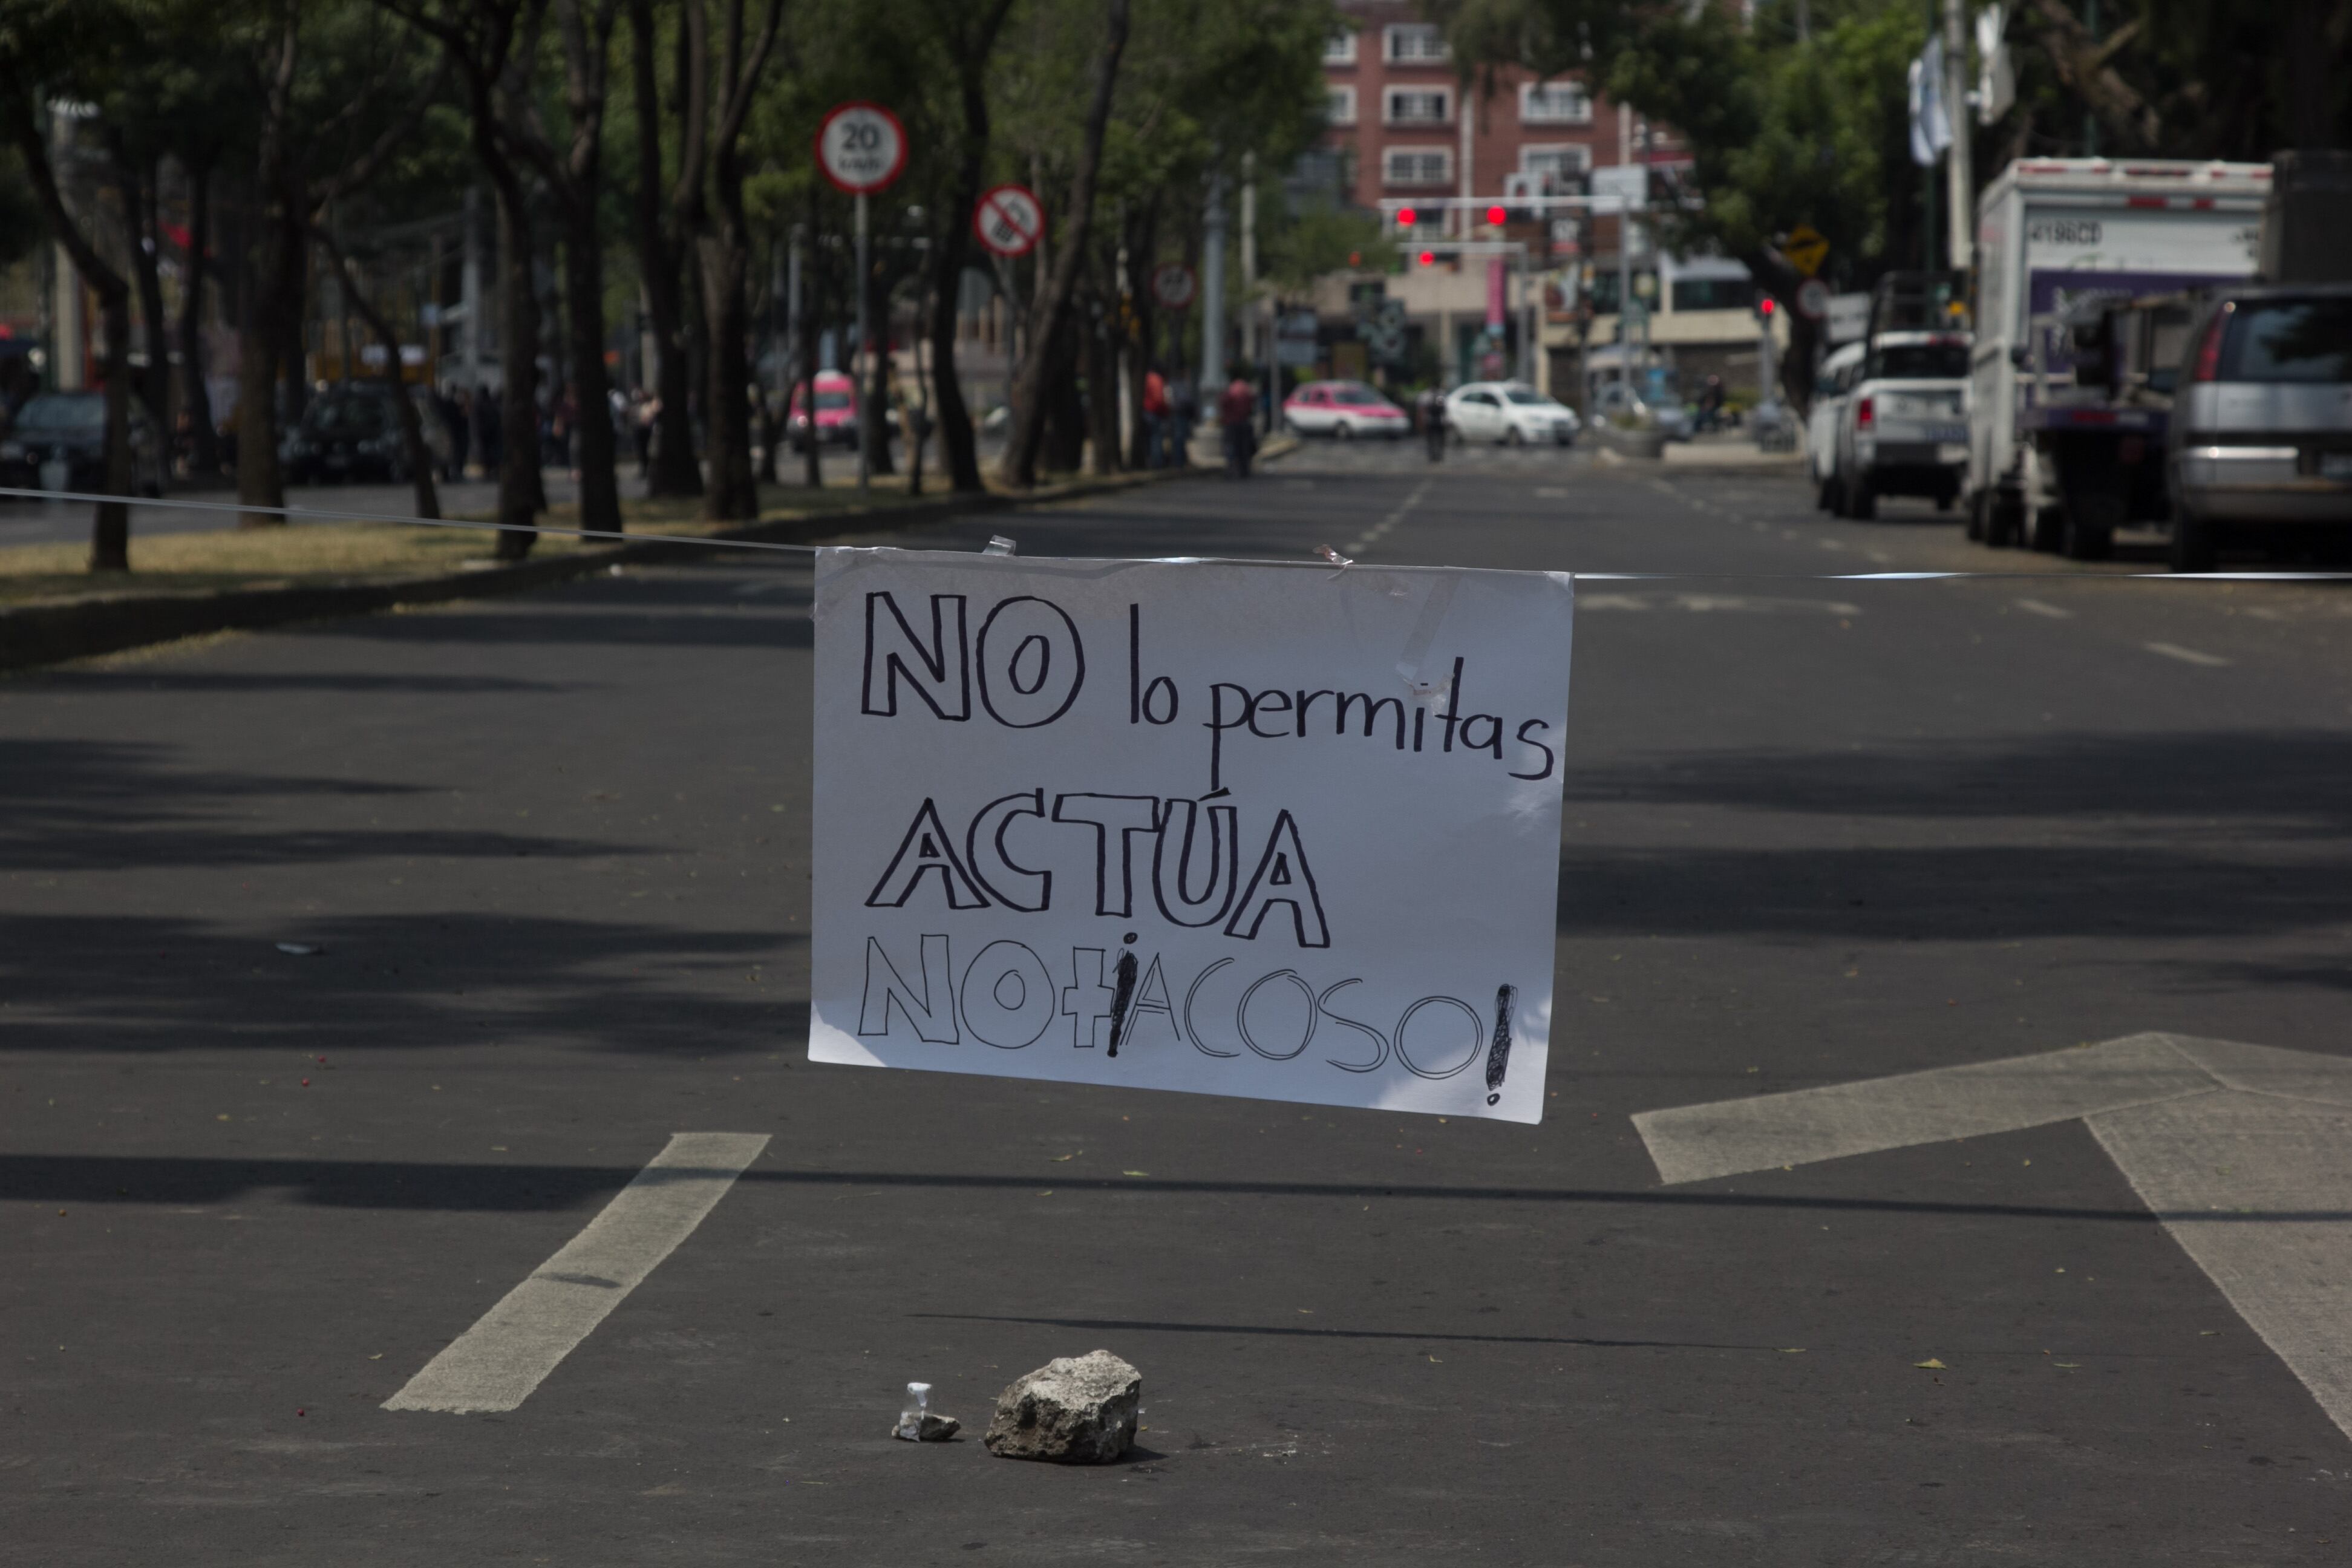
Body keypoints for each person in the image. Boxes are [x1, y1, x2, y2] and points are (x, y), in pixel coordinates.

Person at [1218, 367, 1257, 480]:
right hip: (1244, 422)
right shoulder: (1246, 388)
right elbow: (1251, 404)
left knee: (1231, 447)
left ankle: (1231, 468)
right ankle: (1244, 469)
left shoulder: (1231, 389)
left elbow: (1224, 403)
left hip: (1231, 423)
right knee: (1243, 448)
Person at [1141, 364, 1170, 469]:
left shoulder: (1146, 378)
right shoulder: (1156, 379)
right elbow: (1159, 399)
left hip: (1146, 411)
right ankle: (1157, 463)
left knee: (1149, 439)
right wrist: (1165, 411)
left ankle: (1149, 461)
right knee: (1156, 439)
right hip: (1154, 412)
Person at [1417, 384, 1447, 462]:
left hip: (1433, 421)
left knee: (1433, 440)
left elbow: (1422, 410)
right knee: (1435, 440)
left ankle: (1435, 456)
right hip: (1436, 421)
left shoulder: (1426, 396)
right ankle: (1436, 456)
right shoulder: (1441, 395)